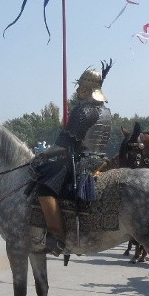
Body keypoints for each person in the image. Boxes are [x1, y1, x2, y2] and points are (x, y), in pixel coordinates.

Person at [31, 62, 113, 255]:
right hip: (101, 160)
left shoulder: (84, 111)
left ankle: (57, 238)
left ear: (85, 88)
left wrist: (41, 154)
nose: (77, 90)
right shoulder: (106, 112)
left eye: (80, 86)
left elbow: (63, 146)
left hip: (83, 162)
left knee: (44, 187)